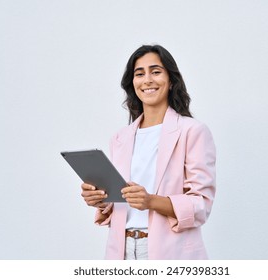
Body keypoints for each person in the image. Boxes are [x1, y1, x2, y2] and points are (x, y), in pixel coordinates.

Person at [81, 45, 216, 260]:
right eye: (139, 73)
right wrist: (100, 199)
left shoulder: (193, 131)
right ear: (132, 83)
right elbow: (122, 202)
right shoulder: (120, 138)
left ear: (171, 80)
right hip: (121, 252)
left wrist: (151, 201)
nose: (147, 80)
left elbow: (201, 204)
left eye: (155, 71)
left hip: (171, 253)